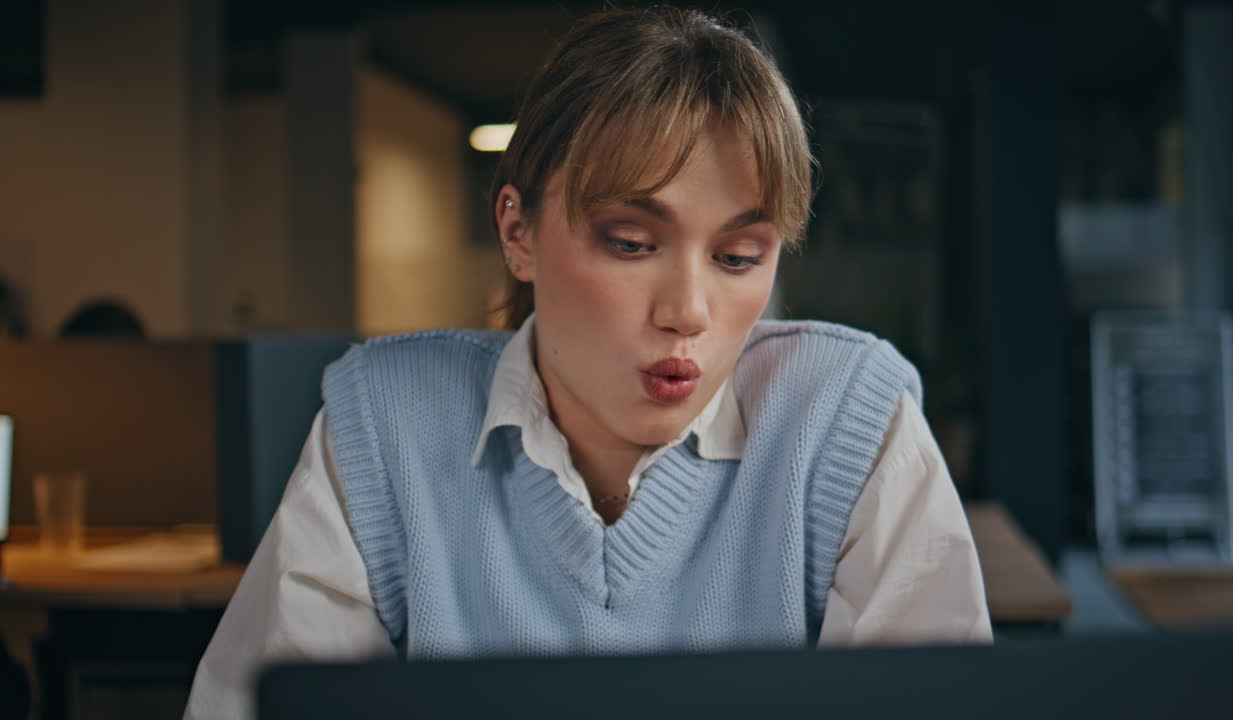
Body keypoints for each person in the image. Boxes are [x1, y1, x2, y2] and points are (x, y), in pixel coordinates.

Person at [185, 7, 990, 718]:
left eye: (740, 256)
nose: (688, 311)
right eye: (632, 243)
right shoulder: (385, 424)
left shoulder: (847, 419)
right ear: (517, 232)